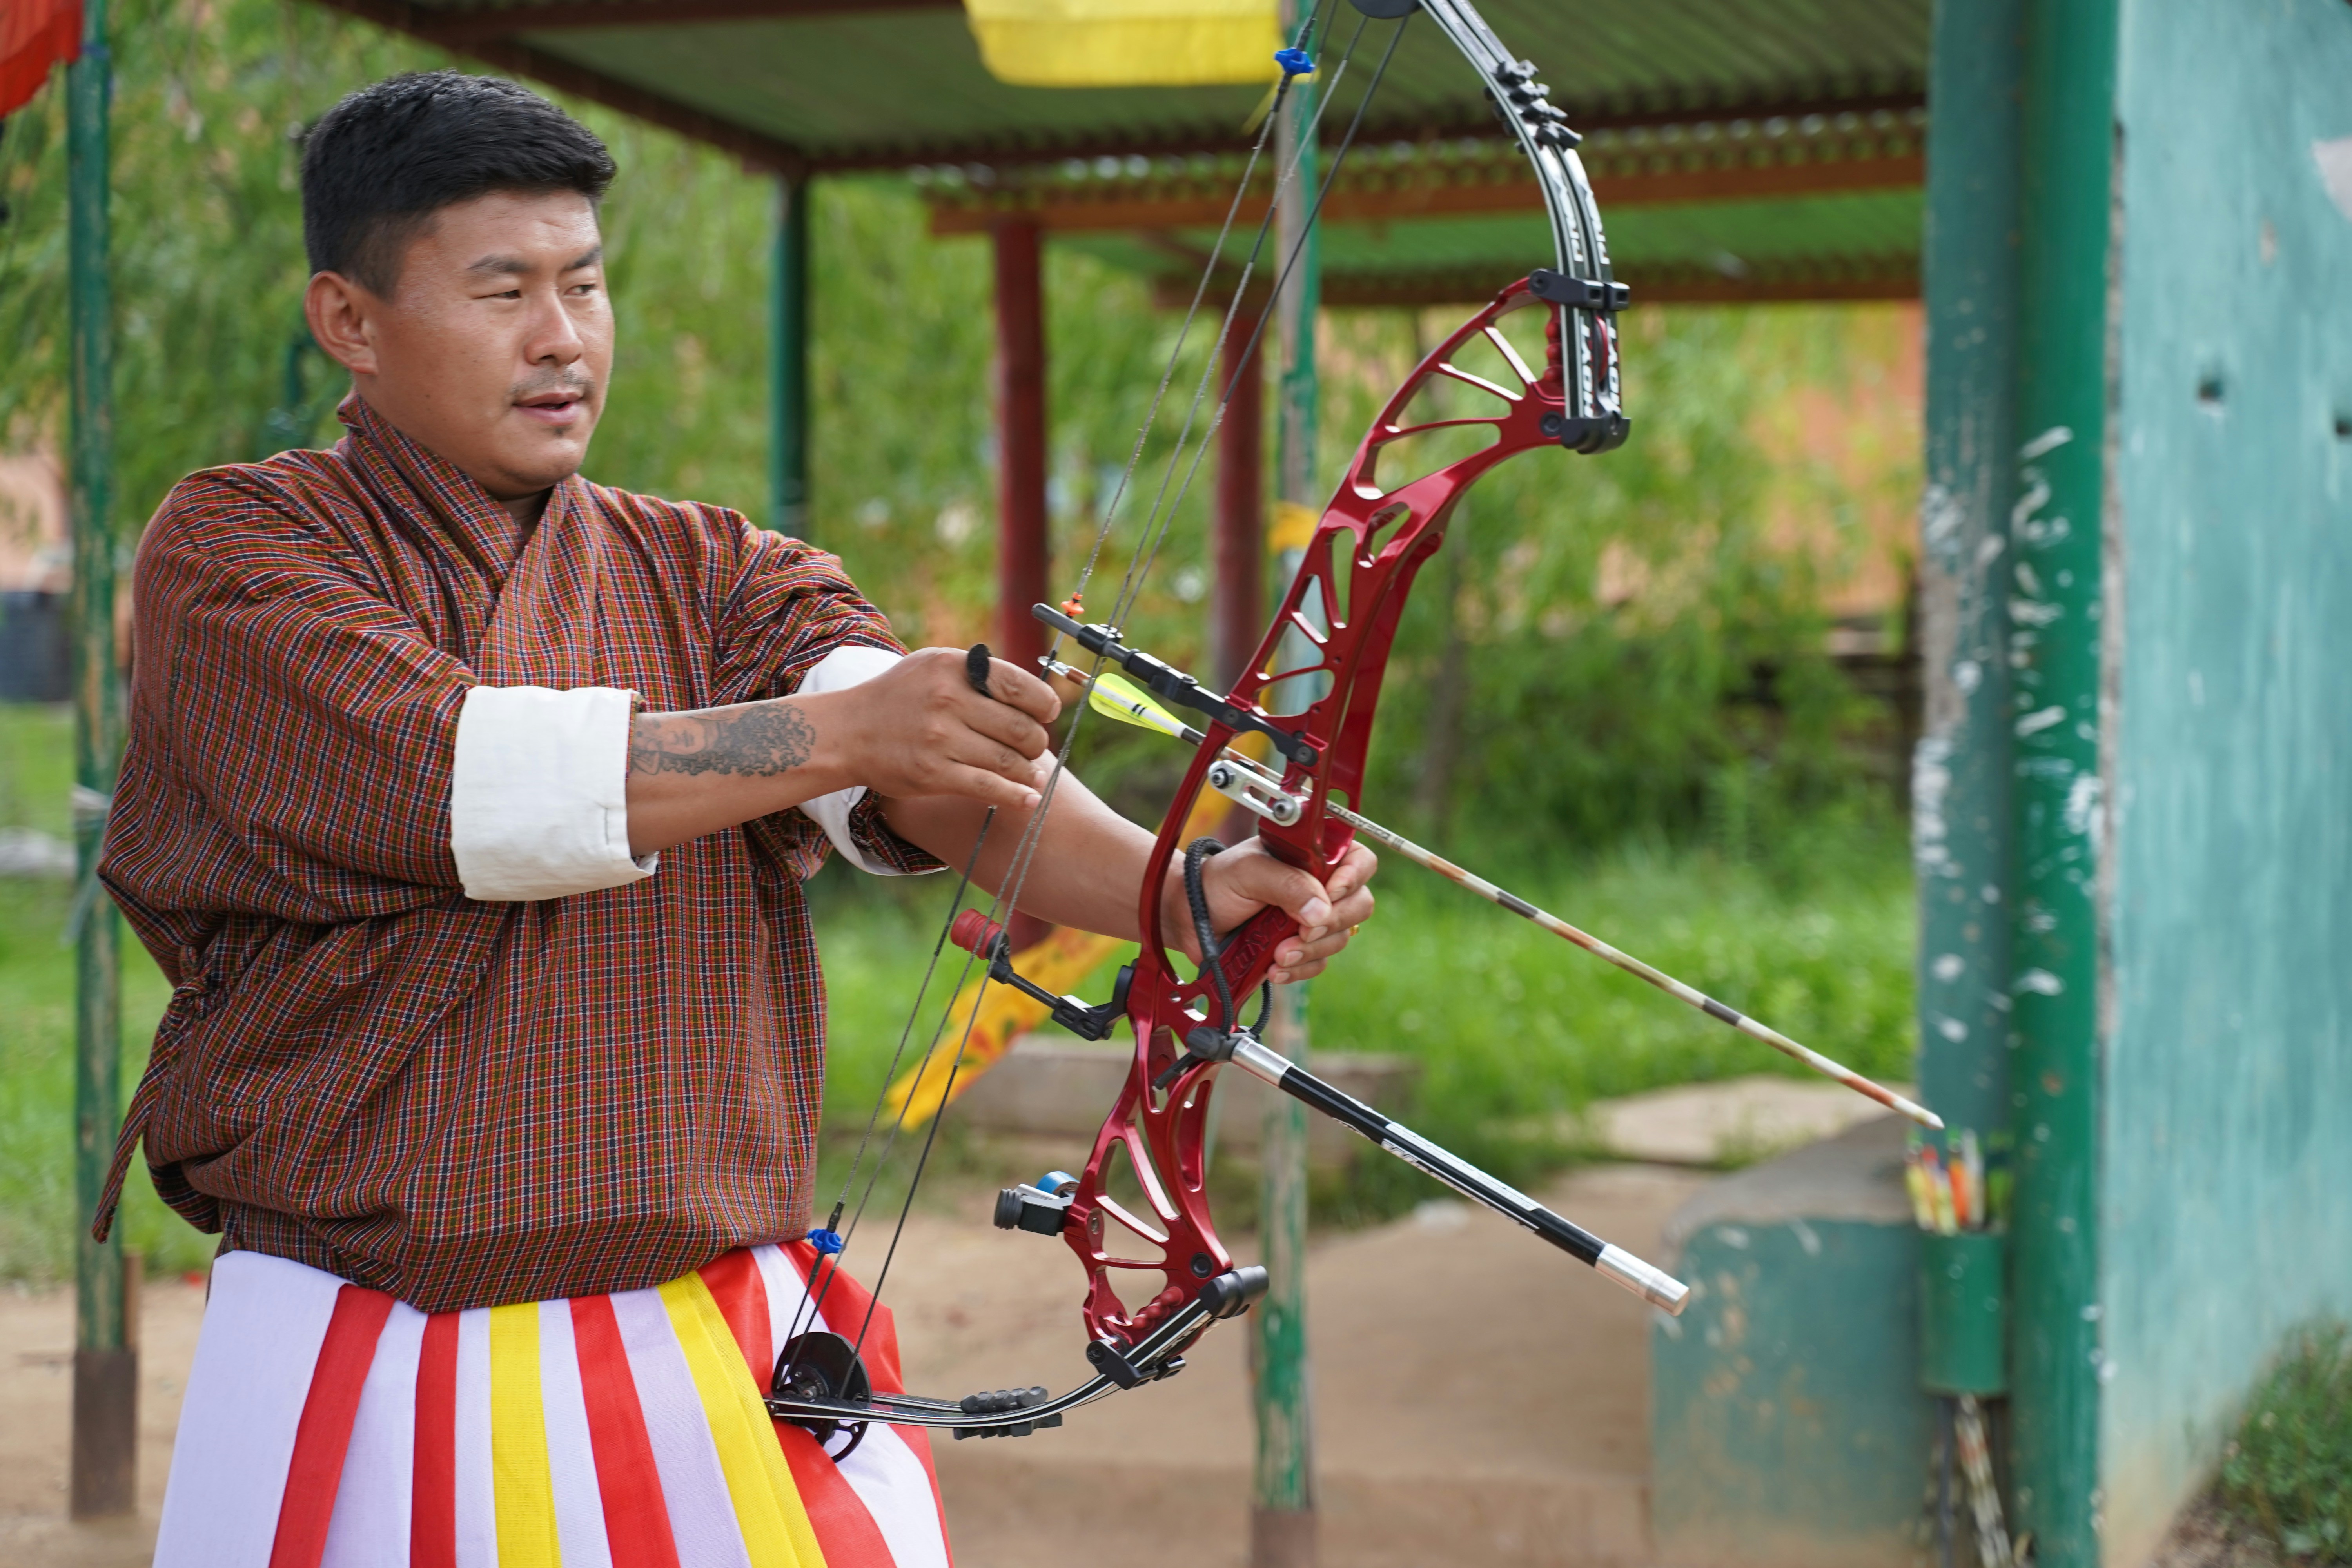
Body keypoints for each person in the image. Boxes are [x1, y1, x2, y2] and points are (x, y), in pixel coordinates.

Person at [93, 71, 1376, 1568]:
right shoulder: (241, 546)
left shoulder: (707, 565)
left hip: (713, 1335)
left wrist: (1178, 894)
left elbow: (929, 769)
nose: (562, 336)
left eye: (584, 283)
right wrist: (851, 728)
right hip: (371, 1348)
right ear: (351, 322)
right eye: (502, 289)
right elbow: (455, 780)